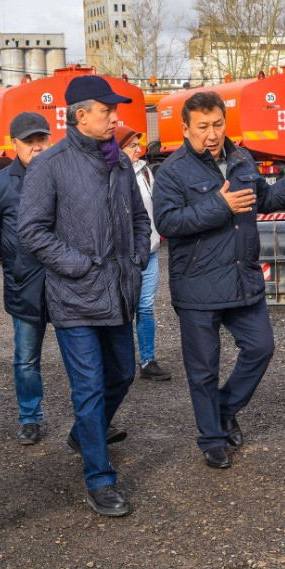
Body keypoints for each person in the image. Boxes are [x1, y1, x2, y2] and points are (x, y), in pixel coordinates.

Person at [153, 91, 285, 469]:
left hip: (242, 277)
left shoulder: (241, 159)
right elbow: (167, 222)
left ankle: (224, 409)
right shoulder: (172, 171)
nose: (211, 134)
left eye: (217, 124)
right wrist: (219, 206)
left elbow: (265, 200)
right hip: (197, 284)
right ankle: (212, 438)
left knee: (260, 348)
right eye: (202, 127)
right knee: (204, 370)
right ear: (185, 129)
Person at [17, 75, 150, 517]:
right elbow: (31, 230)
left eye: (115, 110)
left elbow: (139, 217)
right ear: (80, 116)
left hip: (118, 291)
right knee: (89, 387)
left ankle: (83, 434)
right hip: (75, 296)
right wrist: (79, 265)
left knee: (124, 374)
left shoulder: (120, 162)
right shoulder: (49, 165)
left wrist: (137, 258)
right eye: (106, 111)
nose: (114, 118)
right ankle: (99, 478)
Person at [0, 112, 51, 444]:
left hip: (66, 283)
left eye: (42, 139)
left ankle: (90, 417)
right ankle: (30, 417)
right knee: (27, 358)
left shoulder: (63, 174)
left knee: (82, 354)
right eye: (29, 141)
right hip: (25, 285)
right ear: (13, 143)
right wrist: (14, 254)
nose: (37, 146)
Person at [115, 124, 171, 381]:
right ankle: (121, 362)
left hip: (149, 252)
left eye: (138, 144)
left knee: (145, 307)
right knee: (124, 309)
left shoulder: (146, 171)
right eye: (132, 146)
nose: (139, 149)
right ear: (118, 149)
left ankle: (147, 360)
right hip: (124, 256)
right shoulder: (112, 174)